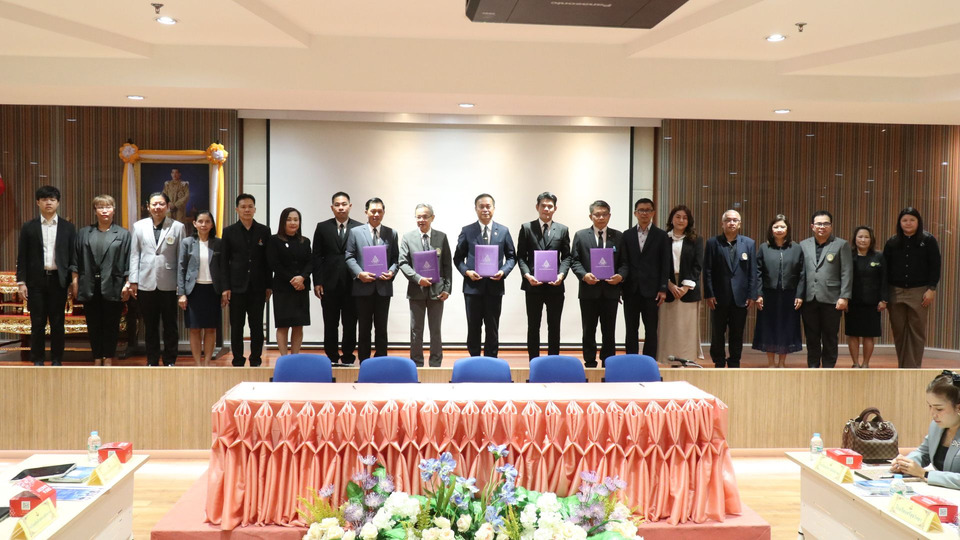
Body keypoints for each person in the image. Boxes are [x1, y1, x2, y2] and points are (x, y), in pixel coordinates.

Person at [16, 185, 78, 366]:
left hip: (59, 280)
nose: (48, 202)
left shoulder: (68, 227)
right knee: (37, 322)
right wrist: (21, 282)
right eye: (44, 199)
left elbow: (73, 256)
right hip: (36, 281)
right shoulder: (29, 227)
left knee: (58, 322)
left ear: (58, 202)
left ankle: (57, 359)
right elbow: (22, 256)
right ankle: (38, 359)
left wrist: (72, 281)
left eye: (52, 199)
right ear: (38, 202)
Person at [453, 193, 517, 358]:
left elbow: (512, 257)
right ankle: (474, 360)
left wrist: (503, 271)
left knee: (492, 328)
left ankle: (491, 361)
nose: (485, 210)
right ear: (476, 209)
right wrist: (467, 272)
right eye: (481, 206)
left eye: (488, 206)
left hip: (494, 288)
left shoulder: (503, 231)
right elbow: (457, 258)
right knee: (473, 327)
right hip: (472, 288)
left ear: (494, 208)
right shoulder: (467, 231)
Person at [128, 192, 185, 366]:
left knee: (170, 325)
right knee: (150, 325)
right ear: (148, 207)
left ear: (167, 206)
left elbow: (181, 258)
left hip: (169, 282)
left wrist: (180, 286)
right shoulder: (139, 226)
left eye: (161, 204)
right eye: (154, 204)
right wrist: (133, 281)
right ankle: (152, 360)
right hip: (146, 282)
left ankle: (170, 360)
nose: (157, 207)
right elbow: (134, 255)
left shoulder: (178, 227)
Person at [74, 194, 131, 366]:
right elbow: (75, 260)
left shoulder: (123, 234)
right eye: (100, 207)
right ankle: (97, 356)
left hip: (114, 284)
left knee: (111, 324)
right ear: (95, 211)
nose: (104, 210)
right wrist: (75, 282)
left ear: (114, 210)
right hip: (89, 284)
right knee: (93, 324)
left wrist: (128, 283)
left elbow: (129, 261)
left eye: (108, 207)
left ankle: (108, 357)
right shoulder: (84, 233)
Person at [570, 200, 627, 367]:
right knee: (588, 330)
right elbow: (574, 260)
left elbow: (625, 262)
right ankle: (589, 362)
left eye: (604, 214)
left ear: (609, 216)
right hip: (589, 290)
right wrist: (584, 275)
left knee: (609, 330)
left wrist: (620, 276)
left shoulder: (619, 236)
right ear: (591, 216)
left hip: (611, 291)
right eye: (597, 214)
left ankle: (608, 363)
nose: (601, 217)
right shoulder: (581, 236)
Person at [883, 207, 941, 369]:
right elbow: (885, 270)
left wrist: (931, 289)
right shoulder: (892, 242)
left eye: (912, 220)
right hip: (895, 291)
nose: (908, 223)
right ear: (900, 223)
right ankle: (903, 367)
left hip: (920, 291)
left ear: (918, 222)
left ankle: (913, 368)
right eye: (904, 220)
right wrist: (884, 294)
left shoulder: (928, 240)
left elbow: (935, 266)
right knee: (899, 330)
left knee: (917, 331)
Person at [516, 192, 571, 360]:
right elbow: (521, 256)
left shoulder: (562, 229)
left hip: (555, 286)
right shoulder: (527, 228)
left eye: (550, 206)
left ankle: (553, 361)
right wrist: (527, 275)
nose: (546, 209)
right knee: (533, 326)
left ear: (555, 208)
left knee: (554, 326)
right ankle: (534, 361)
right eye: (543, 206)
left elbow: (567, 257)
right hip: (533, 285)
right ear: (537, 207)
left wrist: (561, 275)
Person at [398, 203, 453, 367]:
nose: (421, 220)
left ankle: (435, 364)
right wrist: (417, 278)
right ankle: (416, 364)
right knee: (416, 330)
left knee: (435, 330)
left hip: (437, 292)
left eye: (425, 217)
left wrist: (447, 289)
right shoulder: (408, 237)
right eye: (418, 217)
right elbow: (403, 262)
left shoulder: (441, 237)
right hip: (416, 291)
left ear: (432, 218)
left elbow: (447, 265)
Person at [220, 193, 272, 367]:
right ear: (237, 209)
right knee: (237, 325)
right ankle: (238, 360)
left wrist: (269, 285)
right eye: (243, 207)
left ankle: (256, 360)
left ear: (255, 209)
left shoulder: (264, 231)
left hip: (258, 287)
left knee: (257, 325)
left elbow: (267, 261)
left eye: (250, 206)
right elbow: (224, 261)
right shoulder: (229, 232)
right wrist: (225, 287)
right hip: (236, 287)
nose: (247, 210)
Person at [345, 198, 399, 361]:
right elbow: (349, 256)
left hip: (383, 287)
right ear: (366, 212)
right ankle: (364, 362)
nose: (376, 214)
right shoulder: (355, 232)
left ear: (384, 212)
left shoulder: (391, 233)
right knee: (364, 328)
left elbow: (396, 259)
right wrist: (359, 274)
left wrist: (391, 272)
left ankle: (382, 361)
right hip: (363, 287)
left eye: (379, 211)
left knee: (381, 328)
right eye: (373, 211)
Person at [312, 192, 362, 365]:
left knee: (350, 323)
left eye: (344, 204)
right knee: (330, 322)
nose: (341, 207)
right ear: (332, 207)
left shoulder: (359, 228)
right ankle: (332, 357)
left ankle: (348, 356)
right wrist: (317, 282)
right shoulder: (322, 227)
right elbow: (316, 256)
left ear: (350, 206)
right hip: (328, 284)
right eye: (337, 204)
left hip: (352, 284)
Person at [703, 209, 757, 368]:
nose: (731, 223)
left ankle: (734, 362)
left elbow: (752, 271)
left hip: (741, 297)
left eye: (735, 220)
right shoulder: (713, 243)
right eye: (728, 220)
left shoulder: (749, 243)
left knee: (737, 332)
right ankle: (718, 361)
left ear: (739, 224)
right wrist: (709, 294)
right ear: (722, 223)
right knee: (717, 332)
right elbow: (707, 270)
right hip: (718, 297)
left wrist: (752, 295)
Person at [799, 210, 852, 369]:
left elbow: (847, 272)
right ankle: (813, 366)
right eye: (819, 224)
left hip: (832, 298)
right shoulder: (803, 245)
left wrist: (844, 296)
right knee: (811, 336)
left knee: (830, 336)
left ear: (831, 226)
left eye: (826, 223)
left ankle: (829, 367)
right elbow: (800, 272)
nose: (822, 227)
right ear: (812, 226)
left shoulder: (841, 244)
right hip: (809, 297)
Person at [891, 371, 960, 489]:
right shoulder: (936, 426)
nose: (932, 413)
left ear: (958, 407)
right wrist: (904, 464)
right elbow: (923, 452)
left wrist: (925, 474)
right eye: (930, 406)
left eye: (939, 409)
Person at [753, 215, 805, 368]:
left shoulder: (796, 248)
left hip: (790, 295)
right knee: (769, 328)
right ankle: (771, 362)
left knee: (786, 328)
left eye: (782, 226)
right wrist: (758, 294)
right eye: (776, 227)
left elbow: (802, 274)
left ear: (788, 229)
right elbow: (757, 272)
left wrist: (800, 295)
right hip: (768, 295)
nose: (779, 229)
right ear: (771, 229)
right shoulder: (764, 248)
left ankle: (782, 362)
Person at [621, 198, 670, 358]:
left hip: (653, 291)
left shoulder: (661, 235)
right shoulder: (626, 235)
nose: (644, 213)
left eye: (648, 210)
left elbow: (665, 264)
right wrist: (620, 288)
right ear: (635, 213)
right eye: (641, 210)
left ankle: (649, 361)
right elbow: (623, 262)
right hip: (631, 290)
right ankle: (631, 361)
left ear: (653, 213)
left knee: (651, 329)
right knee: (631, 329)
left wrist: (663, 288)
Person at [658, 205, 704, 364]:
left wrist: (685, 287)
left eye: (685, 217)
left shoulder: (696, 239)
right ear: (672, 218)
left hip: (688, 287)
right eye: (677, 216)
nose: (681, 220)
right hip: (667, 286)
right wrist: (669, 284)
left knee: (686, 328)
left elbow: (698, 265)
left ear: (689, 221)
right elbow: (657, 264)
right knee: (668, 327)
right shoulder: (663, 238)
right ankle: (667, 360)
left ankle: (686, 360)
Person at [177, 211, 222, 366]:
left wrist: (224, 290)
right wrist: (181, 293)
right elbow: (181, 268)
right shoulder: (187, 242)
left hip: (213, 290)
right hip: (193, 290)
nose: (204, 225)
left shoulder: (218, 243)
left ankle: (207, 363)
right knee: (194, 328)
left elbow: (224, 268)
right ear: (194, 223)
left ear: (212, 224)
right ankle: (197, 364)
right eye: (200, 221)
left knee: (211, 328)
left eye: (207, 221)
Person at [267, 207, 312, 356]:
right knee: (283, 325)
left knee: (298, 325)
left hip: (301, 288)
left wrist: (302, 277)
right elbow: (274, 264)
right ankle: (284, 358)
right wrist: (293, 279)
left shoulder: (305, 241)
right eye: (289, 219)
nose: (293, 223)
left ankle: (295, 357)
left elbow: (310, 262)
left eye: (296, 220)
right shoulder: (274, 240)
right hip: (283, 288)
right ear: (283, 222)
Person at [846, 226, 887, 369]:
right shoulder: (848, 256)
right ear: (855, 239)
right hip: (852, 302)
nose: (863, 240)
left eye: (866, 237)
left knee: (869, 335)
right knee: (853, 334)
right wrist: (844, 299)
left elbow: (884, 279)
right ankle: (855, 363)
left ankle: (865, 363)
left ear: (871, 239)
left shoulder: (878, 256)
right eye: (860, 237)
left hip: (873, 303)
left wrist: (884, 299)